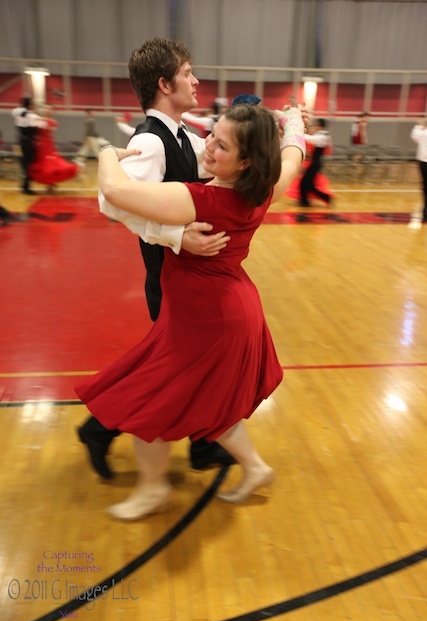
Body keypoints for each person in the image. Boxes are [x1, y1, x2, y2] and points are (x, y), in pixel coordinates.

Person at [75, 102, 306, 520]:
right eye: (212, 135)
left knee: (149, 404)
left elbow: (115, 192)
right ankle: (255, 468)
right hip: (223, 309)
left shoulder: (202, 200)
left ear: (246, 160)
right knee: (207, 403)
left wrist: (107, 151)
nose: (209, 146)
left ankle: (153, 489)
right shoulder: (265, 185)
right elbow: (293, 155)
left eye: (222, 146)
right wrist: (292, 121)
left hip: (208, 319)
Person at [77, 38, 233, 479]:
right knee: (171, 372)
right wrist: (175, 234)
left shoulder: (182, 134)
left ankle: (200, 443)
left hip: (184, 278)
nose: (196, 79)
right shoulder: (151, 141)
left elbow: (210, 162)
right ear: (165, 83)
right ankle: (100, 429)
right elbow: (113, 203)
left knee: (190, 365)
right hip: (168, 280)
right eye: (188, 72)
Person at [28, 105, 79, 191]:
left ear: (52, 111)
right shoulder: (39, 120)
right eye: (45, 108)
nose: (46, 110)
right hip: (40, 144)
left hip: (48, 143)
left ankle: (51, 184)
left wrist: (39, 119)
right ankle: (50, 184)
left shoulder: (51, 121)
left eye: (49, 109)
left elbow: (50, 126)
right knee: (43, 162)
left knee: (51, 162)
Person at [11, 97, 47, 194]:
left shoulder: (20, 114)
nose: (34, 106)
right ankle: (26, 187)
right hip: (27, 143)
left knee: (25, 165)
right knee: (28, 165)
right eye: (32, 104)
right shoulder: (29, 116)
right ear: (29, 105)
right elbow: (42, 124)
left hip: (20, 142)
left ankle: (25, 185)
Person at [298, 118, 332, 207]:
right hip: (315, 162)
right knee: (307, 182)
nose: (315, 127)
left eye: (316, 125)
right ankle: (304, 201)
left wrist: (297, 131)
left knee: (306, 182)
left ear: (320, 126)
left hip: (316, 163)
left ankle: (325, 197)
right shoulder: (322, 134)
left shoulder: (323, 136)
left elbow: (311, 139)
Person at [410, 118, 427, 223]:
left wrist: (418, 125)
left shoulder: (423, 133)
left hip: (424, 162)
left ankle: (425, 208)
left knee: (425, 186)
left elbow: (414, 136)